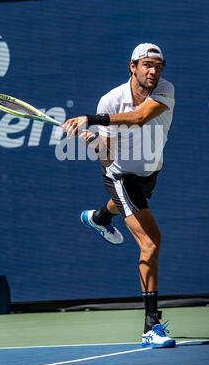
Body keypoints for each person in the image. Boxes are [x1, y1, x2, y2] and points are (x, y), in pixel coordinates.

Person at [62, 43, 175, 348]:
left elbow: (140, 117)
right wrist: (93, 143)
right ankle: (151, 325)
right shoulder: (110, 100)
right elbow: (108, 152)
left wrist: (92, 122)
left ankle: (99, 218)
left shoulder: (165, 89)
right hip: (121, 172)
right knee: (150, 243)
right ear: (132, 66)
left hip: (150, 171)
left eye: (158, 66)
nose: (153, 71)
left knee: (124, 206)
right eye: (147, 65)